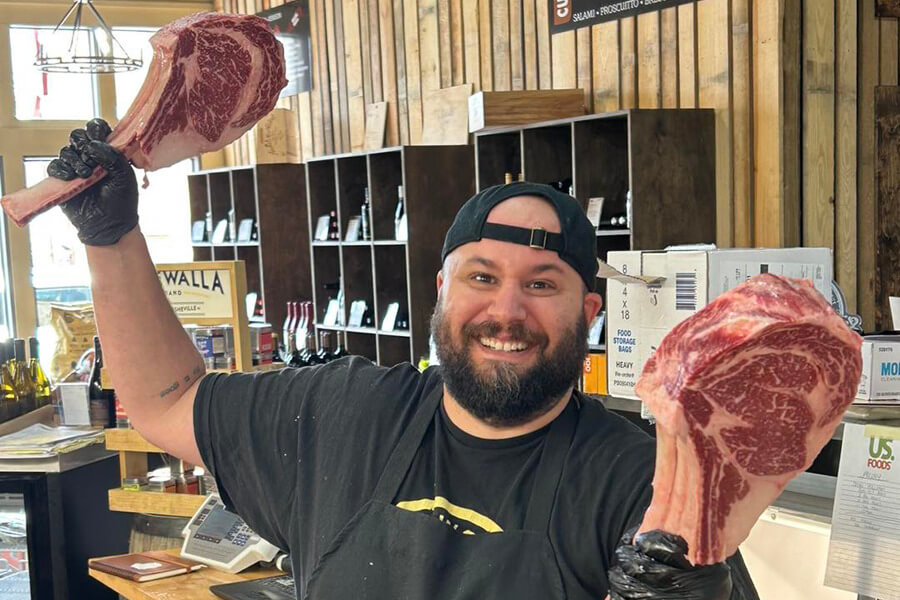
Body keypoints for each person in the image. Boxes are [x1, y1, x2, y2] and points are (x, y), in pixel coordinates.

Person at [49, 119, 759, 600]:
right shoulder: (338, 412)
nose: (507, 311)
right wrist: (111, 239)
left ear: (591, 314)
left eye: (542, 285)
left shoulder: (643, 481)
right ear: (442, 293)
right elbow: (167, 400)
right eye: (481, 277)